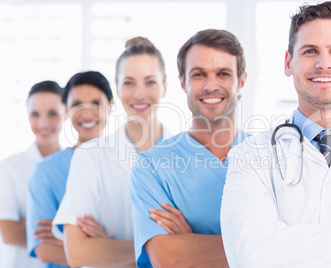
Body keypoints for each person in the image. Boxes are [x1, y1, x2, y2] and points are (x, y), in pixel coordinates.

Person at [220, 2, 331, 267]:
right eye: (310, 51)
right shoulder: (250, 155)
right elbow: (248, 254)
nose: (323, 63)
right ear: (288, 63)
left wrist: (288, 246)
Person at [130, 29, 249, 268]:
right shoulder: (151, 166)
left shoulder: (268, 154)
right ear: (183, 82)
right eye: (198, 74)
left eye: (223, 73)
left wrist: (190, 241)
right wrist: (259, 246)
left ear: (241, 81)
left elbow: (292, 247)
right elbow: (168, 257)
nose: (210, 85)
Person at [53, 37, 172, 268]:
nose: (139, 94)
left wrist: (109, 247)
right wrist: (162, 249)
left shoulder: (188, 154)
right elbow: (77, 253)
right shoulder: (90, 156)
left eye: (150, 82)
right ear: (117, 89)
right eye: (128, 83)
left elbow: (196, 249)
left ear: (165, 87)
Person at [26, 71, 114, 268]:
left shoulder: (129, 164)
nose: (86, 113)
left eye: (96, 103)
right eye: (76, 105)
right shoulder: (46, 172)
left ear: (111, 106)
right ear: (66, 110)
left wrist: (73, 243)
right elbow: (44, 249)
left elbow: (145, 242)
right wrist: (107, 248)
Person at [0, 81, 65, 268]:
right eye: (35, 114)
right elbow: (10, 233)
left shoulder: (76, 165)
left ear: (66, 113)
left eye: (52, 113)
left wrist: (31, 225)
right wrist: (67, 233)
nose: (43, 123)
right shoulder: (8, 168)